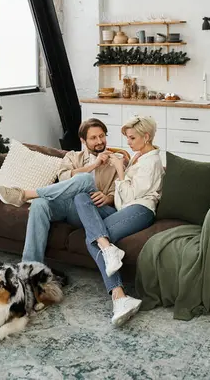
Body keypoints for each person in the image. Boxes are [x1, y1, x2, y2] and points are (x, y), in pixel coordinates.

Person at [73, 115, 164, 327]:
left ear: (146, 136)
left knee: (93, 239)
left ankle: (119, 296)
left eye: (132, 138)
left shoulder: (152, 161)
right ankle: (108, 251)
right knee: (81, 197)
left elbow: (131, 197)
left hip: (141, 210)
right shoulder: (139, 155)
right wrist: (123, 160)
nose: (128, 143)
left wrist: (120, 169)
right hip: (126, 208)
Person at [0, 118, 123, 263]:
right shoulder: (72, 156)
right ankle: (30, 267)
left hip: (95, 208)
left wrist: (108, 198)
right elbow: (63, 178)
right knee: (39, 204)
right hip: (69, 207)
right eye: (93, 138)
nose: (99, 141)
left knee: (85, 180)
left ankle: (25, 194)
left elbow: (121, 189)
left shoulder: (117, 160)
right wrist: (94, 165)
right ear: (83, 140)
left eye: (102, 136)